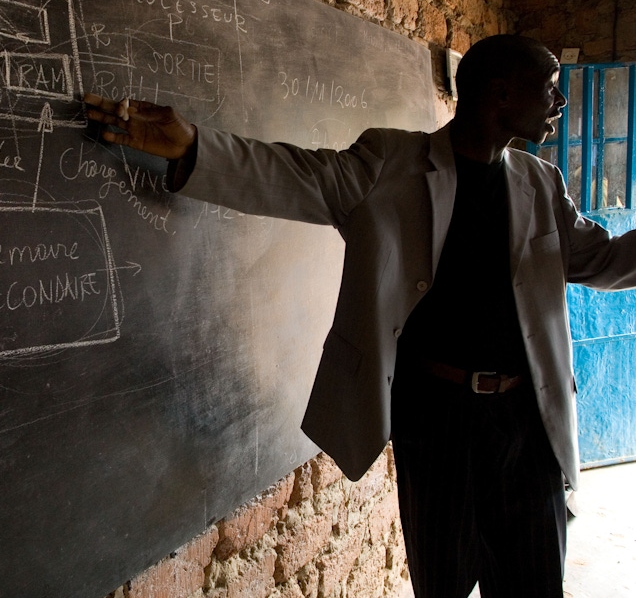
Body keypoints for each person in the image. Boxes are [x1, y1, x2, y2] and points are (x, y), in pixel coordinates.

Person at [84, 34, 636, 598]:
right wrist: (196, 147)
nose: (559, 103)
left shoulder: (542, 183)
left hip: (528, 423)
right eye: (548, 89)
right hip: (437, 422)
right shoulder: (390, 163)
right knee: (442, 580)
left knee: (537, 583)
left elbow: (606, 259)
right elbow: (298, 175)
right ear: (500, 94)